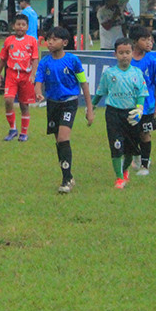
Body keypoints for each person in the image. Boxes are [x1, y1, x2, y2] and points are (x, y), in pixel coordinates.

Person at [34, 26, 94, 194]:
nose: (50, 42)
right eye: (48, 39)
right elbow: (38, 81)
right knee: (59, 142)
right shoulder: (45, 61)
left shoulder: (73, 60)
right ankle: (68, 175)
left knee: (63, 137)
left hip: (69, 102)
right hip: (53, 103)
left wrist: (89, 109)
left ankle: (66, 180)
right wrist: (38, 93)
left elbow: (84, 84)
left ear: (65, 42)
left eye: (54, 39)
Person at [94, 37, 147, 189]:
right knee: (116, 145)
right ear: (115, 54)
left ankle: (124, 171)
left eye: (127, 52)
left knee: (130, 149)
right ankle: (118, 178)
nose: (124, 55)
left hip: (131, 114)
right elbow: (100, 92)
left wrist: (139, 109)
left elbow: (141, 94)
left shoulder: (137, 73)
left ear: (132, 54)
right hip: (113, 113)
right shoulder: (109, 73)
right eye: (121, 52)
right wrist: (92, 106)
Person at [0, 13, 39, 142]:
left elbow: (35, 59)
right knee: (8, 100)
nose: (20, 27)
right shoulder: (9, 40)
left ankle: (24, 133)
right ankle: (12, 129)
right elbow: (3, 59)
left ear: (27, 27)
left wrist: (33, 75)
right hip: (11, 74)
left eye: (23, 25)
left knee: (24, 105)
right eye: (18, 24)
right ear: (13, 26)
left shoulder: (32, 41)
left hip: (26, 76)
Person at [128, 25, 156, 176]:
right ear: (135, 42)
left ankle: (144, 165)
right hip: (128, 103)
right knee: (131, 134)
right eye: (145, 40)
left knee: (145, 133)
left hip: (147, 105)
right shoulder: (127, 57)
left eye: (150, 39)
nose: (149, 43)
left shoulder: (154, 58)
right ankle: (136, 155)